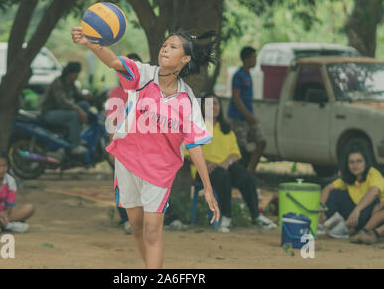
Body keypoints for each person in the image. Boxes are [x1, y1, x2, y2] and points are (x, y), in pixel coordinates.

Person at [72, 27, 220, 269]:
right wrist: (89, 42)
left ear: (185, 59)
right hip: (128, 159)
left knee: (152, 232)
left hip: (160, 171)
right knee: (137, 227)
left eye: (173, 47)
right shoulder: (143, 75)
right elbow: (112, 60)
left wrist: (208, 187)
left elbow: (194, 146)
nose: (165, 48)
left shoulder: (187, 100)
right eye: (165, 44)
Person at [188, 92, 277, 232]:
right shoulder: (196, 127)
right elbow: (188, 153)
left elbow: (236, 154)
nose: (214, 107)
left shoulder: (226, 129)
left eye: (216, 104)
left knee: (245, 176)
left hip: (225, 167)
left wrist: (226, 162)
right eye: (209, 104)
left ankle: (256, 216)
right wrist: (206, 162)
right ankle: (226, 217)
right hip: (205, 170)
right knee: (223, 176)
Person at [107, 53, 143, 235]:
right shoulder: (116, 93)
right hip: (123, 145)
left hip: (144, 146)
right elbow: (112, 123)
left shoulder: (148, 90)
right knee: (123, 184)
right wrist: (113, 149)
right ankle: (125, 219)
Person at [319, 145, 384, 238]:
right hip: (354, 218)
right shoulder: (348, 178)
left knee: (373, 199)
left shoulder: (372, 173)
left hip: (372, 215)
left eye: (359, 161)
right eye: (351, 162)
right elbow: (327, 188)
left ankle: (355, 230)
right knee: (336, 194)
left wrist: (356, 210)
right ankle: (321, 221)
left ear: (365, 162)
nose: (355, 165)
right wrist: (321, 209)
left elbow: (374, 192)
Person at [227, 46, 265, 174]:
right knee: (241, 147)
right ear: (246, 59)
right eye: (253, 57)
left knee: (261, 142)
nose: (255, 60)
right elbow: (236, 98)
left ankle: (250, 172)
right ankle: (239, 173)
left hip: (249, 117)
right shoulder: (238, 76)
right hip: (238, 118)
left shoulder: (249, 74)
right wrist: (248, 115)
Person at [40, 62, 91, 155]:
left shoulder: (71, 84)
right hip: (49, 113)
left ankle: (77, 135)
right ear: (70, 73)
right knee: (74, 115)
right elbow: (62, 102)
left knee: (84, 105)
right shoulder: (58, 83)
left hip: (61, 111)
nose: (77, 76)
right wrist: (79, 110)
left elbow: (78, 96)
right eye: (76, 74)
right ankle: (75, 145)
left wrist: (87, 97)